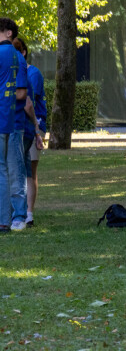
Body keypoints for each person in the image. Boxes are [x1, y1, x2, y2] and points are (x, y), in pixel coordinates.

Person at [0, 18, 32, 233]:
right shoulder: (16, 57)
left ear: (8, 33)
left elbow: (21, 93)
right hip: (11, 120)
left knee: (12, 169)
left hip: (11, 121)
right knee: (10, 169)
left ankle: (15, 216)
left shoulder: (10, 56)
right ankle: (12, 216)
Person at [12, 39, 45, 225]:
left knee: (27, 170)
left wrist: (37, 129)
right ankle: (22, 212)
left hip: (26, 128)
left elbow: (28, 102)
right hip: (26, 128)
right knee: (24, 169)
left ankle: (26, 213)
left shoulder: (30, 73)